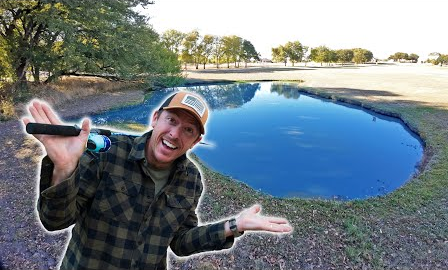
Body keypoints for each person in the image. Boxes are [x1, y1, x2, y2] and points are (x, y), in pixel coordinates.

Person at [23, 91, 292, 270]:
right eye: (171, 120)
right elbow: (54, 220)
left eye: (188, 129)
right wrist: (64, 168)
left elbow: (181, 242)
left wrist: (235, 225)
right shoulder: (107, 151)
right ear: (155, 118)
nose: (175, 134)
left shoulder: (191, 180)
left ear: (196, 141)